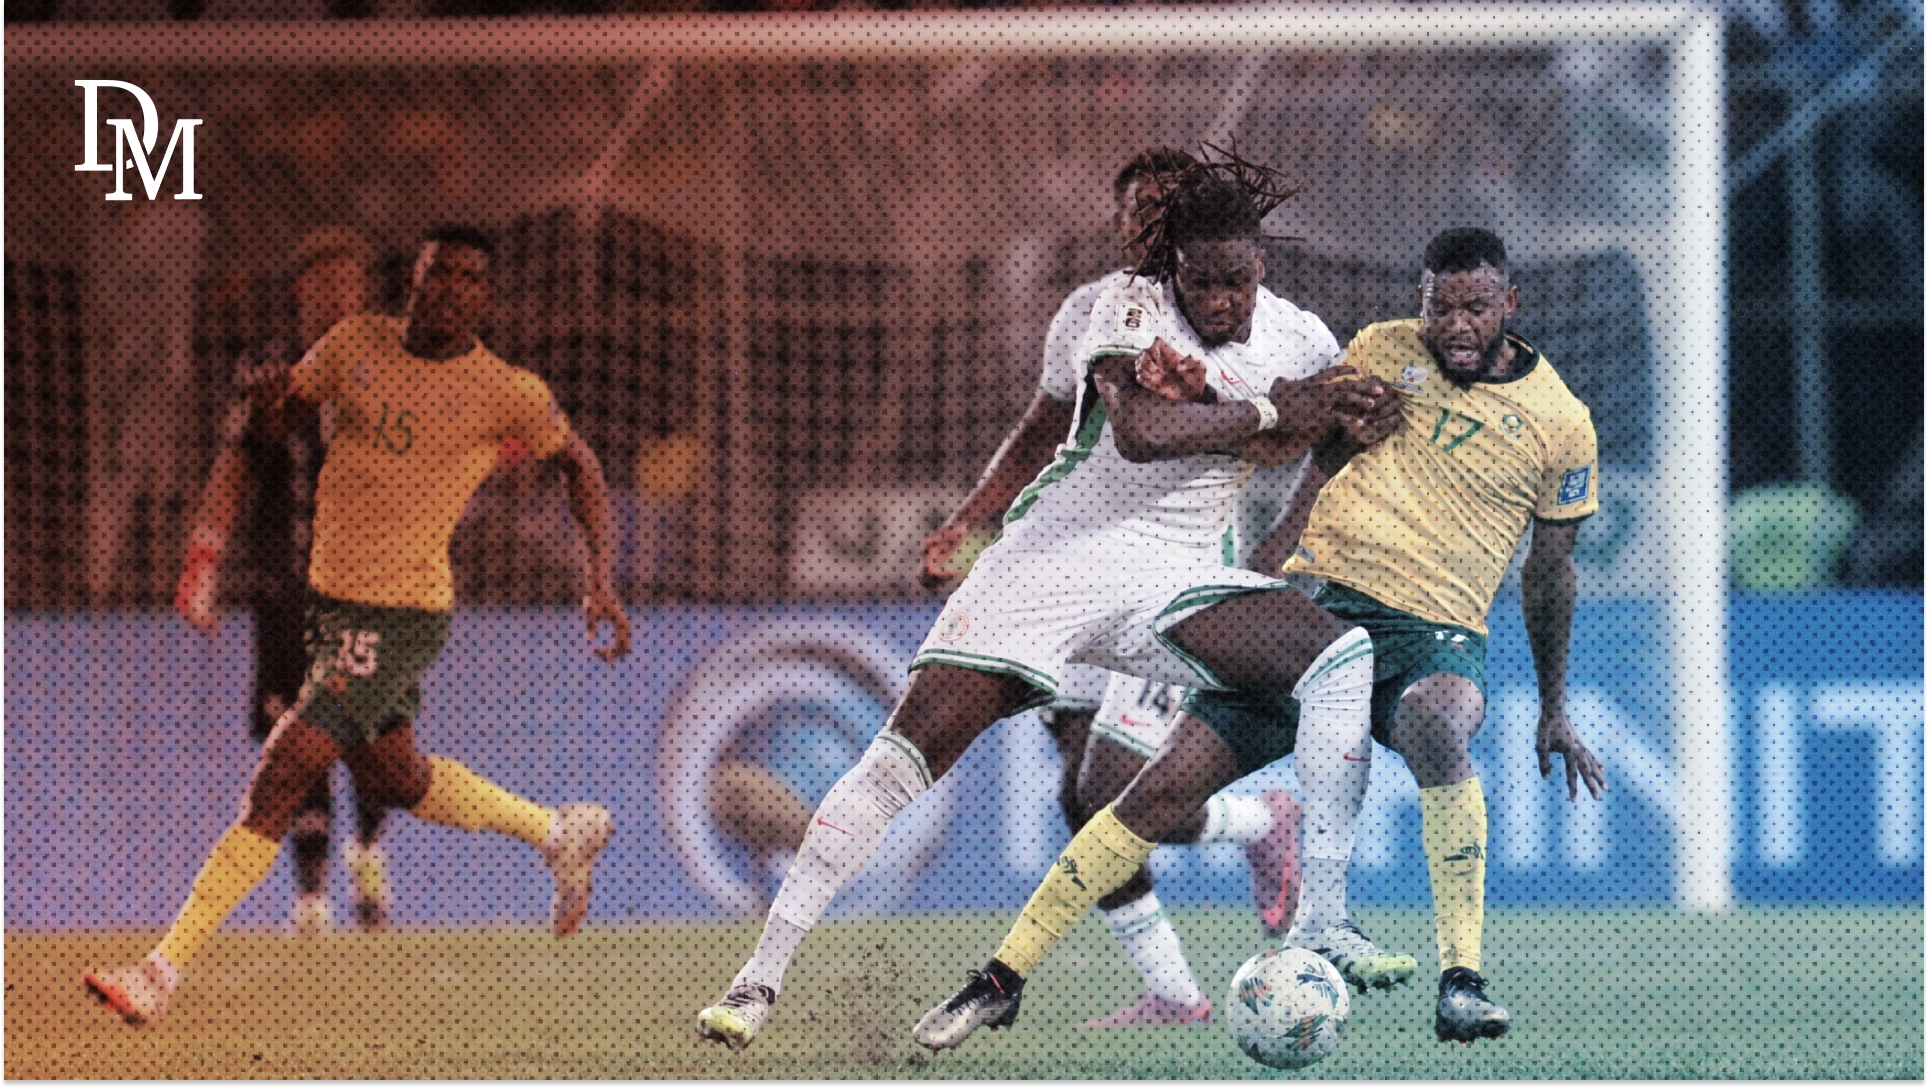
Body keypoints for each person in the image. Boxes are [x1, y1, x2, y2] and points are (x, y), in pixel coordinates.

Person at [698, 151, 1405, 1053]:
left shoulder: (1302, 338)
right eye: (1201, 281)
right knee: (901, 763)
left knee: (1337, 653)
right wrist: (1271, 411)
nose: (1219, 301)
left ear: (1260, 262)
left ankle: (1320, 914)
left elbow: (1330, 437)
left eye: (1237, 280)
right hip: (1049, 564)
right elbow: (1146, 434)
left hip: (1179, 574)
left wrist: (1308, 497)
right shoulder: (1126, 305)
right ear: (1167, 260)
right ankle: (757, 980)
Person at [915, 227, 1608, 1051]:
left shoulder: (1561, 422)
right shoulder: (1383, 350)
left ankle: (1461, 979)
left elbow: (1551, 571)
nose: (1456, 324)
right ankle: (1001, 977)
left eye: (1476, 307)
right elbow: (1312, 454)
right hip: (1318, 609)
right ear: (1419, 301)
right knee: (1147, 793)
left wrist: (1554, 707)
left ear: (1510, 305)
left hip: (1436, 632)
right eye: (1440, 306)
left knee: (1435, 722)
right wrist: (1272, 559)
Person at [84, 225, 634, 1027]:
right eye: (436, 273)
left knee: (282, 771)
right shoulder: (353, 346)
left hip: (403, 612)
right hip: (328, 608)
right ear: (411, 280)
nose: (450, 288)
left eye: (469, 279)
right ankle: (557, 832)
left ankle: (159, 973)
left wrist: (600, 581)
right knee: (394, 779)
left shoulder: (506, 389)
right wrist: (272, 404)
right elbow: (274, 428)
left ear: (486, 298)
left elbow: (578, 462)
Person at [922, 148, 1310, 1029]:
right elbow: (1035, 435)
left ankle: (1261, 822)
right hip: (1071, 572)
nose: (1144, 227)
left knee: (1107, 796)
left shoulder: (1229, 323)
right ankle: (1176, 990)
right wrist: (971, 524)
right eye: (1133, 213)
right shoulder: (1088, 314)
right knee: (1075, 791)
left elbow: (1286, 435)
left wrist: (1277, 549)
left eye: (1161, 213)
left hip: (1166, 581)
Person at [175, 225, 396, 934]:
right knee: (295, 738)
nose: (340, 295)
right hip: (286, 590)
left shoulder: (392, 364)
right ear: (301, 290)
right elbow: (233, 467)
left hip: (370, 584)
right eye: (325, 282)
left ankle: (367, 852)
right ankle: (309, 898)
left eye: (350, 283)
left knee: (371, 732)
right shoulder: (270, 371)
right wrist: (202, 563)